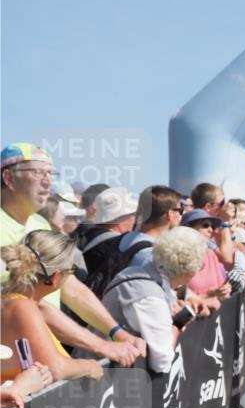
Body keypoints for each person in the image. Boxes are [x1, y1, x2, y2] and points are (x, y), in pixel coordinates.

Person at [0, 143, 144, 365]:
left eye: (50, 173)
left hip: (39, 356)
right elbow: (30, 304)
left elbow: (70, 287)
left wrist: (117, 332)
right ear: (9, 178)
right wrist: (104, 345)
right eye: (37, 172)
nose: (48, 181)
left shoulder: (39, 224)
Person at [101, 227, 206, 375]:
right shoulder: (150, 296)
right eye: (201, 265)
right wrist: (177, 325)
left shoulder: (140, 273)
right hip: (102, 383)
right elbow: (162, 362)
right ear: (189, 269)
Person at [1, 231, 105, 382]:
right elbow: (55, 368)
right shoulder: (22, 306)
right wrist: (89, 366)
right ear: (55, 277)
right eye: (71, 270)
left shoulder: (14, 299)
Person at [120, 185, 184, 270]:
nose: (181, 215)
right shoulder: (153, 255)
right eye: (180, 211)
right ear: (170, 214)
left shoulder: (124, 239)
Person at [181, 209, 231, 302]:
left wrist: (224, 291)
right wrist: (207, 296)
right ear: (188, 228)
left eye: (212, 226)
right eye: (205, 225)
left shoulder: (210, 254)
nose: (211, 230)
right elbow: (177, 296)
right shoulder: (177, 255)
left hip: (213, 314)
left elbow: (220, 289)